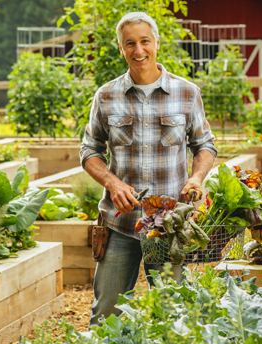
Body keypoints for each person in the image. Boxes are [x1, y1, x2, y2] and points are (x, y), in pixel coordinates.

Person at [79, 11, 218, 327]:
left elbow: (205, 145)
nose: (138, 51)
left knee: (174, 316)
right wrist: (113, 183)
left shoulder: (186, 92)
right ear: (121, 48)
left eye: (144, 41)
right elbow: (89, 151)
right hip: (120, 223)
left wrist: (196, 177)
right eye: (130, 43)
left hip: (168, 224)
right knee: (105, 316)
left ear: (156, 43)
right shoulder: (106, 95)